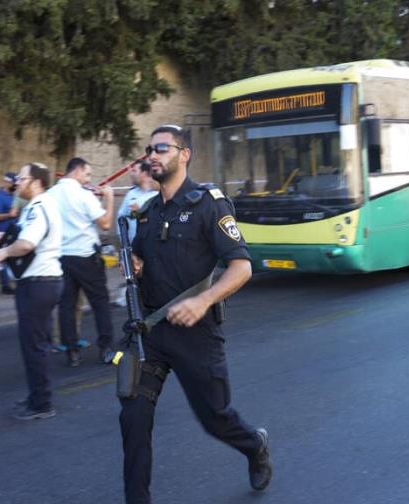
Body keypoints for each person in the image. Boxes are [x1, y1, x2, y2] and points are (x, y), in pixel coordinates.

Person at [119, 125, 272, 503]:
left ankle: (254, 446)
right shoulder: (148, 213)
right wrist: (136, 263)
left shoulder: (209, 204)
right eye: (149, 150)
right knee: (133, 419)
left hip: (196, 334)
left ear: (184, 154)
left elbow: (241, 268)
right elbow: (141, 257)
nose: (152, 156)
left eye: (161, 148)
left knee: (215, 418)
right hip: (152, 333)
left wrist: (203, 301)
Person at [0, 163, 62, 420]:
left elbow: (27, 244)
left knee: (34, 346)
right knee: (36, 344)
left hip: (38, 284)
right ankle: (37, 395)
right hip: (40, 282)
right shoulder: (36, 206)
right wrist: (1, 237)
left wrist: (3, 252)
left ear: (36, 182)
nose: (17, 183)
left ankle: (42, 404)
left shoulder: (39, 206)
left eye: (22, 179)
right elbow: (25, 237)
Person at [46, 157, 115, 367]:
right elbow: (105, 223)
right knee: (100, 302)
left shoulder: (50, 195)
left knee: (66, 305)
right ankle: (106, 348)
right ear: (76, 171)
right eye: (87, 174)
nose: (88, 179)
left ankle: (72, 352)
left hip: (61, 258)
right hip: (86, 257)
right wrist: (109, 198)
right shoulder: (83, 195)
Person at [113, 160, 158, 306]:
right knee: (137, 289)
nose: (131, 174)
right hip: (135, 253)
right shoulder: (131, 194)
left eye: (134, 171)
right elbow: (121, 220)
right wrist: (125, 248)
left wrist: (142, 212)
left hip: (155, 251)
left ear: (144, 173)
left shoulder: (157, 194)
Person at [0, 172, 18, 295]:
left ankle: (17, 282)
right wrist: (9, 215)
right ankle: (5, 285)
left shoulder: (15, 195)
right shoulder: (0, 196)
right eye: (14, 183)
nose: (15, 185)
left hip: (15, 231)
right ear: (7, 183)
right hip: (4, 232)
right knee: (3, 258)